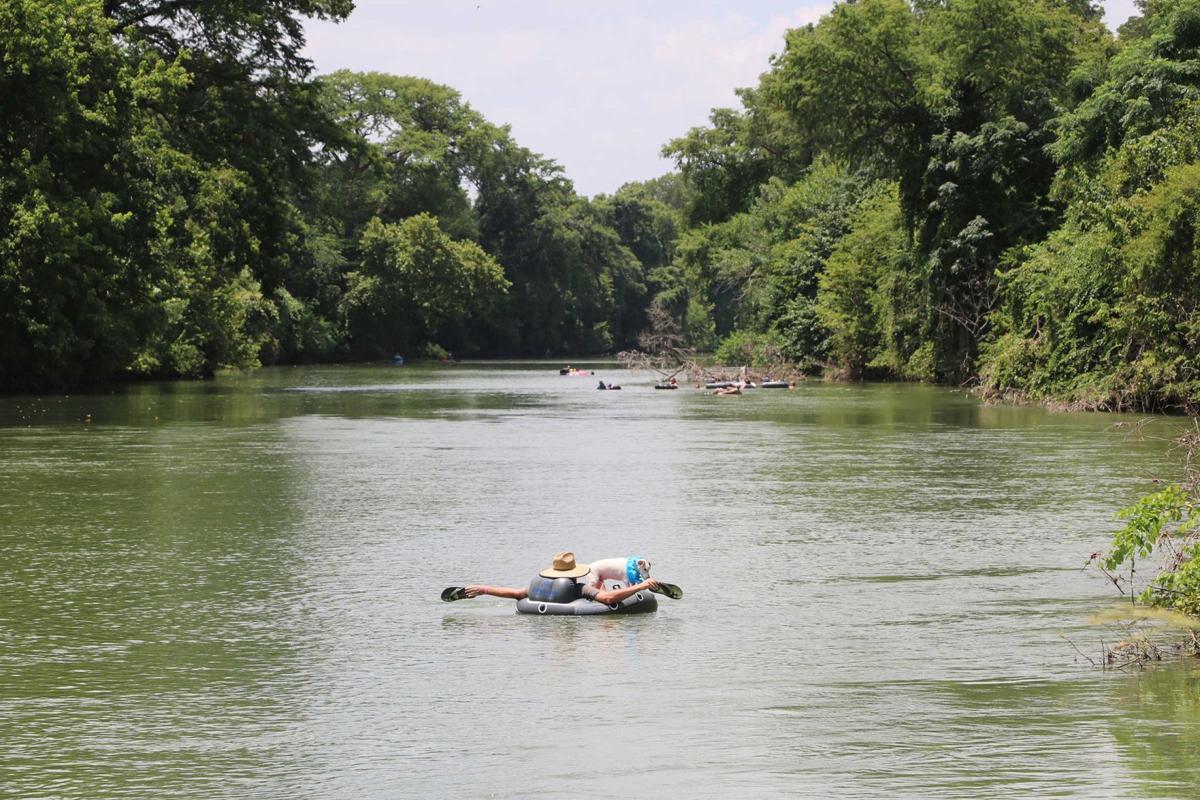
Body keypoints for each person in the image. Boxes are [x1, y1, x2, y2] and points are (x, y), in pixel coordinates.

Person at [463, 552, 660, 605]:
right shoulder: (578, 589)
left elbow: (515, 594)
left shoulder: (542, 585)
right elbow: (608, 599)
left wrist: (483, 590)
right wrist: (641, 586)